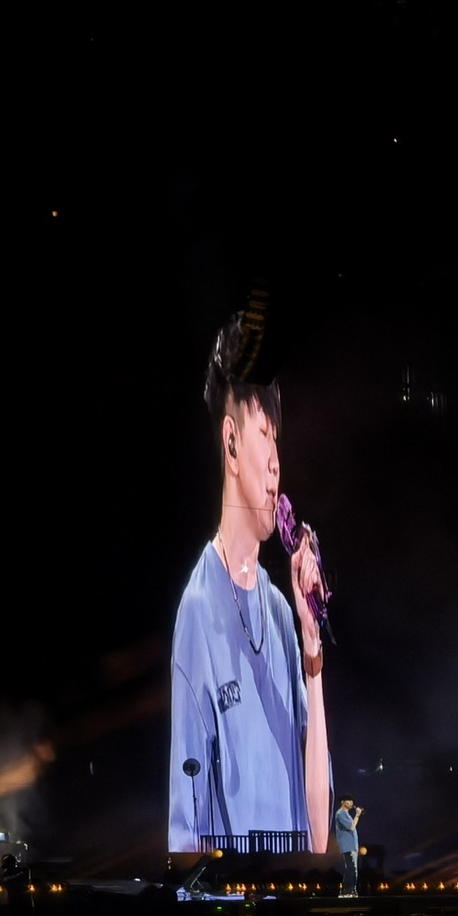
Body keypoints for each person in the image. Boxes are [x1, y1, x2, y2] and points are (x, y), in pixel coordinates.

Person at [169, 307, 332, 854]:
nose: (276, 463)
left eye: (278, 440)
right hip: (239, 901)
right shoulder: (199, 610)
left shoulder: (282, 614)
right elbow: (186, 830)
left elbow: (320, 834)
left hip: (295, 895)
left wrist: (312, 649)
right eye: (265, 434)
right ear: (232, 443)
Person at [334, 796, 362, 896]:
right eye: (348, 801)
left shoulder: (347, 814)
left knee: (352, 868)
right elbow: (351, 827)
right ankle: (349, 890)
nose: (351, 803)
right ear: (342, 802)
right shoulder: (340, 814)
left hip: (352, 846)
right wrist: (357, 815)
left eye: (352, 801)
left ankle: (350, 890)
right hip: (347, 846)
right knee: (351, 868)